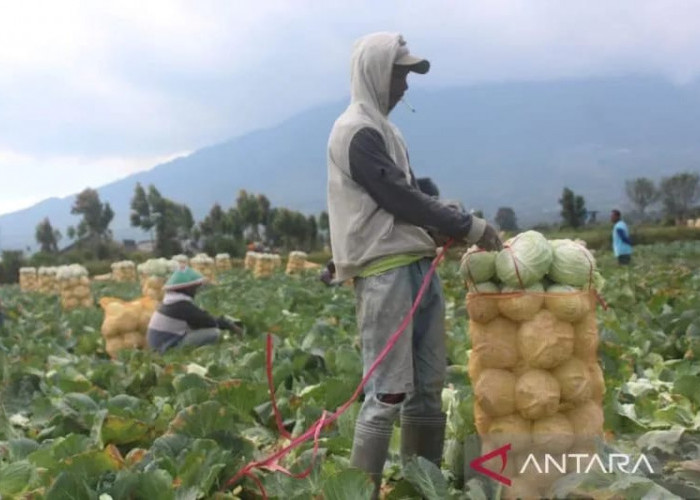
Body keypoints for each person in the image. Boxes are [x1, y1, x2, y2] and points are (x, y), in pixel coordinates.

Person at [326, 32, 502, 496]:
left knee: (427, 385)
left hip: (417, 267)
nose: (405, 85)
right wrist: (466, 226)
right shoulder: (355, 131)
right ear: (375, 74)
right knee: (386, 392)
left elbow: (412, 194)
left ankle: (421, 484)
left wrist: (440, 220)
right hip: (385, 273)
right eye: (399, 74)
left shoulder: (387, 131)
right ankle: (363, 489)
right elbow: (396, 196)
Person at [146, 266, 241, 353]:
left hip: (160, 344)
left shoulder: (171, 302)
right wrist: (230, 326)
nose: (196, 291)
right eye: (194, 288)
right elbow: (208, 321)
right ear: (187, 289)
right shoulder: (181, 305)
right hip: (167, 348)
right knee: (214, 333)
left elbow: (199, 319)